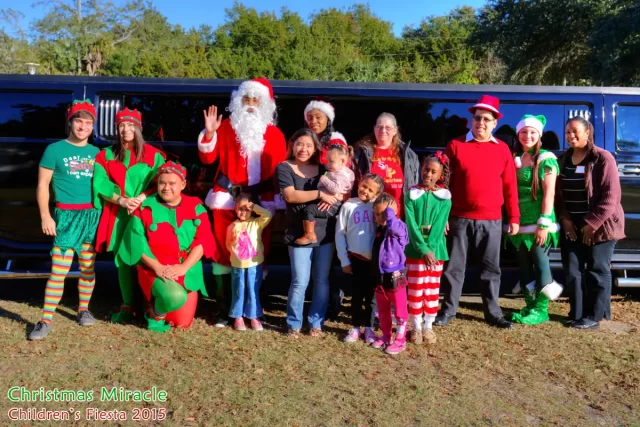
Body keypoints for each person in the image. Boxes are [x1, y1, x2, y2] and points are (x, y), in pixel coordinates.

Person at [198, 78, 287, 328]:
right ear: (239, 101)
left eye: (255, 100)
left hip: (260, 206)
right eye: (246, 99)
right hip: (227, 201)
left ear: (265, 104)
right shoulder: (225, 127)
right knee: (224, 254)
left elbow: (280, 173)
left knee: (257, 256)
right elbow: (207, 159)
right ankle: (225, 310)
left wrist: (278, 203)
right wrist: (209, 132)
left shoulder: (275, 135)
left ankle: (252, 309)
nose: (250, 104)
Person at [435, 95, 520, 329]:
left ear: (494, 123)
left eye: (486, 119)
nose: (480, 122)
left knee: (491, 270)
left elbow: (510, 186)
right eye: (477, 118)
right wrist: (442, 218)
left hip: (492, 220)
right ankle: (449, 310)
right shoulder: (455, 146)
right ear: (471, 120)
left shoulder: (502, 150)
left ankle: (493, 313)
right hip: (459, 218)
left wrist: (513, 217)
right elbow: (443, 185)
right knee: (454, 268)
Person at [28, 100, 101, 340]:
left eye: (88, 122)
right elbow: (42, 185)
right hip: (66, 216)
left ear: (93, 126)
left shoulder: (97, 153)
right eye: (79, 121)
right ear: (70, 122)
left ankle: (83, 310)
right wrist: (45, 215)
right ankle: (46, 319)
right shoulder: (55, 150)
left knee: (88, 269)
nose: (83, 126)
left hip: (91, 216)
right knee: (59, 271)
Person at [117, 161, 215, 332]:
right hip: (155, 269)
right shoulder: (145, 208)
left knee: (182, 323)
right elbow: (136, 242)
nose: (166, 187)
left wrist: (184, 267)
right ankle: (154, 314)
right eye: (162, 183)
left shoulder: (196, 207)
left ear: (183, 185)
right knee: (175, 297)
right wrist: (157, 267)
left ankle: (156, 304)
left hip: (186, 270)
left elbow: (203, 241)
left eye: (172, 183)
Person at [93, 108, 166, 323]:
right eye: (121, 125)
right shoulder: (105, 155)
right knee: (123, 259)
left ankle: (147, 301)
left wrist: (142, 197)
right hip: (120, 212)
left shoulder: (154, 155)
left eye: (131, 125)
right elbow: (100, 182)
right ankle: (127, 303)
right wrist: (122, 200)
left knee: (144, 256)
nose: (126, 129)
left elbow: (161, 181)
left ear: (139, 128)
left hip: (144, 213)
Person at [556, 116, 625, 330]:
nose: (571, 135)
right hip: (572, 226)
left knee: (597, 268)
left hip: (601, 225)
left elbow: (610, 196)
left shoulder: (602, 158)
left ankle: (594, 316)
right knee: (573, 269)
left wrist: (592, 223)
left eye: (576, 131)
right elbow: (558, 196)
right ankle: (577, 313)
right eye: (567, 132)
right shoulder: (563, 160)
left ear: (588, 133)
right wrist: (565, 219)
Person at [276, 129, 339, 338]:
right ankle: (294, 323)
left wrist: (332, 195)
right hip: (298, 233)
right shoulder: (284, 168)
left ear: (315, 149)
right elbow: (291, 196)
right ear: (292, 145)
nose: (303, 149)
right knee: (300, 281)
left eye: (309, 145)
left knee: (321, 280)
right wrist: (320, 193)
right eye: (300, 144)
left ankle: (316, 323)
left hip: (325, 233)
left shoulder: (324, 169)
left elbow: (338, 192)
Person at [507, 115, 563, 325]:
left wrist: (543, 224)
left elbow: (549, 195)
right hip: (519, 223)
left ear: (539, 135)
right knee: (524, 265)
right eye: (523, 132)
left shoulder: (546, 159)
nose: (527, 136)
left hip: (539, 222)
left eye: (532, 132)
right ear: (518, 134)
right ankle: (530, 306)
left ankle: (542, 310)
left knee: (540, 264)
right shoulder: (515, 158)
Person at [404, 151, 451, 345]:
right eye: (426, 169)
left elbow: (440, 225)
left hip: (436, 251)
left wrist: (431, 248)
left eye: (433, 171)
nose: (428, 174)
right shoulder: (411, 195)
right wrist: (423, 249)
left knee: (431, 289)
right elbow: (411, 224)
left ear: (440, 175)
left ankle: (428, 326)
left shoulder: (444, 198)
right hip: (415, 251)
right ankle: (415, 326)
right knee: (415, 289)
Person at [335, 173, 385, 344]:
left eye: (371, 190)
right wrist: (344, 260)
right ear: (359, 183)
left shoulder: (377, 207)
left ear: (377, 195)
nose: (365, 191)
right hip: (355, 259)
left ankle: (369, 328)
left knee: (372, 297)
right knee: (356, 296)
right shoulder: (348, 206)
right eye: (364, 186)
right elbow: (340, 234)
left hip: (374, 262)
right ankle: (355, 327)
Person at [352, 112, 420, 214]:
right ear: (374, 129)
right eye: (379, 127)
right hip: (371, 216)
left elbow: (420, 186)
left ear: (395, 130)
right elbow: (350, 181)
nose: (383, 131)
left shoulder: (408, 154)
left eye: (388, 128)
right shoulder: (362, 153)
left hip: (400, 217)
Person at [225, 192, 273, 332]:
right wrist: (235, 256)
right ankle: (238, 316)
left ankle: (254, 316)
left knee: (253, 290)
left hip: (254, 265)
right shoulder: (232, 226)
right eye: (240, 208)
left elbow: (267, 215)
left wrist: (254, 206)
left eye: (247, 209)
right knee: (239, 291)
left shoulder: (256, 223)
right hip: (237, 265)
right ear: (235, 208)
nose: (243, 212)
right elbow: (229, 244)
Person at [370, 194, 409, 355]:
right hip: (380, 275)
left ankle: (401, 339)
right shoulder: (379, 230)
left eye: (384, 214)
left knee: (400, 309)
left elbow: (394, 227)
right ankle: (386, 335)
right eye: (378, 214)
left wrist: (390, 214)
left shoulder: (399, 228)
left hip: (395, 275)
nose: (381, 217)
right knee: (383, 309)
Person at [295, 142, 354, 245]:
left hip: (334, 205)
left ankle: (309, 234)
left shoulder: (341, 175)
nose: (328, 164)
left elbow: (335, 189)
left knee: (309, 210)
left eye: (331, 161)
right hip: (333, 201)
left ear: (342, 161)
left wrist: (324, 180)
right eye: (327, 161)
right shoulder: (337, 172)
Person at [304, 99, 347, 165]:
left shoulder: (336, 142)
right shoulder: (304, 140)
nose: (313, 121)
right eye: (310, 118)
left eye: (318, 117)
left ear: (328, 120)